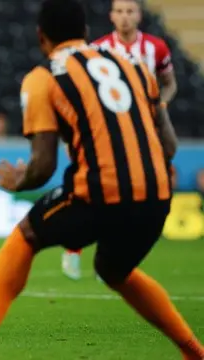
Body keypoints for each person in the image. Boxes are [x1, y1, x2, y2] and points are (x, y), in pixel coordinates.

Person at [0, 0, 204, 359]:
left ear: (41, 37)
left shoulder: (42, 78)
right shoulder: (134, 65)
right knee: (114, 270)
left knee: (26, 236)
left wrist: (21, 181)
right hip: (156, 194)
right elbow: (168, 145)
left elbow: (43, 166)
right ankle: (194, 352)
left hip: (100, 192)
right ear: (87, 33)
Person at [62, 0, 179, 279]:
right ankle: (74, 248)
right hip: (113, 129)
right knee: (98, 183)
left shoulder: (156, 48)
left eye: (130, 11)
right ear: (111, 16)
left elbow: (170, 83)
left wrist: (159, 105)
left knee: (146, 183)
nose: (125, 17)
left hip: (148, 127)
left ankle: (115, 254)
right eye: (120, 12)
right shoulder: (99, 49)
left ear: (139, 15)